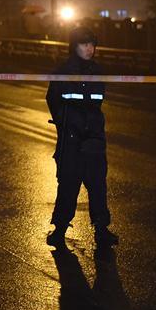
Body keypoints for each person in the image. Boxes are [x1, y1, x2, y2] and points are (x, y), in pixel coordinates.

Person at [46, 26, 118, 249]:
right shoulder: (63, 71)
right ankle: (59, 228)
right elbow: (53, 99)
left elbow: (98, 101)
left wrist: (92, 127)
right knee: (68, 184)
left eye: (92, 45)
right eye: (84, 44)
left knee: (98, 185)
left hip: (94, 139)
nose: (90, 49)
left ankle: (101, 229)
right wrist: (65, 122)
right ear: (74, 46)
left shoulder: (98, 71)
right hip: (71, 139)